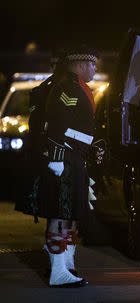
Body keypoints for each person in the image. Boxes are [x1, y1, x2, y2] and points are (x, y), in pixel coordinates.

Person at [24, 46, 99, 287]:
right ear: (80, 64)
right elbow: (56, 124)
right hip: (63, 159)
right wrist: (56, 157)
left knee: (69, 214)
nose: (95, 68)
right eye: (93, 64)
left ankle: (65, 266)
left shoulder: (76, 86)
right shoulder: (67, 87)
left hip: (73, 157)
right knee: (60, 212)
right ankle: (58, 271)